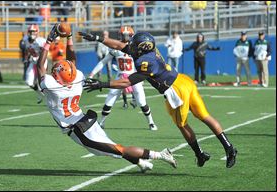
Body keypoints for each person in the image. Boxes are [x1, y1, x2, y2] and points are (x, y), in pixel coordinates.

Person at [79, 31, 237, 168]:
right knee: (204, 115)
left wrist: (102, 84)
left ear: (142, 48)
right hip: (183, 81)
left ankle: (200, 154)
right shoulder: (148, 51)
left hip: (175, 90)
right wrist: (98, 38)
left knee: (182, 125)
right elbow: (119, 46)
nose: (130, 46)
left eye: (134, 44)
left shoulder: (145, 61)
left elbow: (127, 81)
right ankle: (229, 147)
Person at [36, 24, 177, 173]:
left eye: (57, 71)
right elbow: (72, 61)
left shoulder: (53, 87)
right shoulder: (77, 78)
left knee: (118, 149)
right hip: (83, 120)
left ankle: (160, 154)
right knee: (112, 149)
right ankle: (142, 164)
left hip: (77, 128)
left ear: (59, 78)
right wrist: (70, 38)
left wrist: (49, 40)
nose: (55, 71)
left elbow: (40, 66)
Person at [89, 26, 157, 131]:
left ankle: (151, 122)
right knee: (109, 100)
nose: (124, 37)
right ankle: (101, 122)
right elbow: (104, 61)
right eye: (123, 35)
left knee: (141, 101)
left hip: (134, 76)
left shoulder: (137, 48)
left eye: (126, 35)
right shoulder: (116, 48)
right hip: (120, 76)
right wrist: (92, 74)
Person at [24, 24, 46, 104]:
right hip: (33, 61)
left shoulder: (41, 41)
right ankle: (40, 94)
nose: (31, 33)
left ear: (37, 32)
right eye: (30, 31)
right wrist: (26, 58)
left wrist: (38, 58)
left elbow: (45, 52)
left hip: (42, 61)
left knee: (42, 81)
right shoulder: (26, 40)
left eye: (33, 31)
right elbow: (27, 50)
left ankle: (50, 97)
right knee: (28, 82)